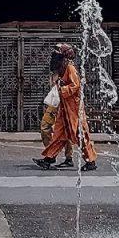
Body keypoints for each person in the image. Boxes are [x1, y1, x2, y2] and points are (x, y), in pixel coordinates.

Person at [33, 43, 98, 171]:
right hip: (65, 107)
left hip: (74, 107)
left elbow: (76, 86)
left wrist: (62, 89)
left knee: (81, 133)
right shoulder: (62, 68)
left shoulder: (70, 68)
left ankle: (91, 161)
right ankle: (49, 158)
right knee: (59, 133)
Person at [39, 62, 74, 168]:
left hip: (61, 102)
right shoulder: (56, 67)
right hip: (54, 101)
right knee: (45, 127)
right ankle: (51, 154)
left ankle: (65, 157)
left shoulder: (68, 68)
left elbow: (70, 86)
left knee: (66, 131)